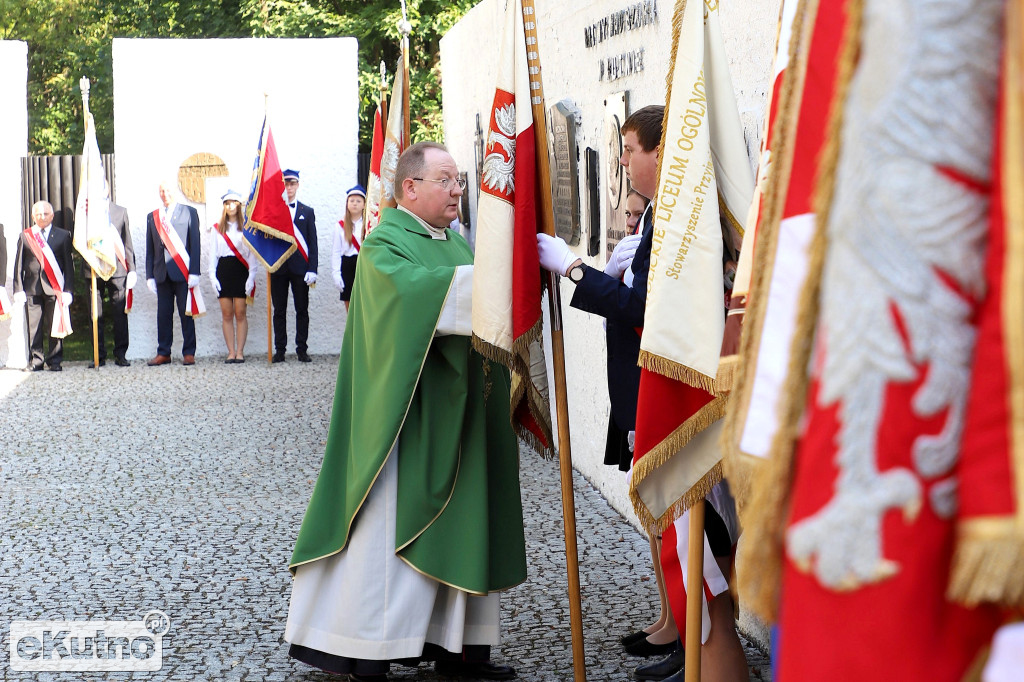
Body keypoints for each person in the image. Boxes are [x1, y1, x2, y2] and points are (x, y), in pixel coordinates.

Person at [285, 142, 524, 682]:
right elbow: (414, 300)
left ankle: (458, 649)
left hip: (460, 420)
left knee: (463, 525)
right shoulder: (384, 245)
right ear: (409, 188)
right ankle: (364, 645)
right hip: (404, 424)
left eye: (459, 180)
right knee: (383, 533)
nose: (458, 189)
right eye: (446, 180)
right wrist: (504, 278)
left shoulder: (457, 245)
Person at [538, 105, 747, 682]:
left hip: (683, 401)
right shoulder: (657, 215)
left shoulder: (679, 220)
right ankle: (691, 650)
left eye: (630, 149)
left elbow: (651, 314)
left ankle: (707, 657)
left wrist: (576, 271)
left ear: (661, 153)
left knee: (698, 542)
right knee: (680, 544)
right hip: (652, 392)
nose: (624, 161)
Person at [12, 201, 74, 371]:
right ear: (33, 216)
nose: (42, 216)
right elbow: (18, 264)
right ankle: (36, 360)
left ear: (52, 216)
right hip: (32, 288)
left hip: (54, 288)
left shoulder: (63, 235)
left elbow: (68, 266)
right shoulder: (26, 236)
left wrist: (68, 290)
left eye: (46, 213)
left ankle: (55, 360)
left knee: (54, 325)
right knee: (34, 326)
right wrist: (18, 288)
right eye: (38, 214)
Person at [146, 180, 201, 366]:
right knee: (163, 315)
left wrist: (195, 271)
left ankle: (189, 352)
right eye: (161, 191)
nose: (165, 194)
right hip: (161, 274)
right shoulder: (153, 216)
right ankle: (164, 352)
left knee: (186, 314)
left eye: (168, 190)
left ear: (175, 191)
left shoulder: (189, 212)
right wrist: (149, 276)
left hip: (183, 273)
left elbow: (195, 244)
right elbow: (150, 249)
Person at [271, 168, 317, 362]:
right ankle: (280, 349)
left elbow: (312, 242)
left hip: (300, 269)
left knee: (301, 310)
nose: (288, 187)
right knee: (279, 311)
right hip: (279, 267)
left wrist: (313, 269)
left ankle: (301, 349)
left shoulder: (307, 212)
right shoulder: (273, 211)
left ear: (297, 185)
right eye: (285, 184)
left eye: (292, 183)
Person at [209, 190, 258, 363]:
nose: (230, 206)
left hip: (240, 270)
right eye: (227, 203)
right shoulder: (217, 228)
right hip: (224, 269)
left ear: (239, 206)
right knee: (227, 314)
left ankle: (240, 352)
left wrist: (251, 276)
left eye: (234, 203)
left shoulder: (247, 228)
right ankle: (231, 351)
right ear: (224, 206)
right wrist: (212, 277)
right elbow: (213, 254)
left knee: (240, 312)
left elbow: (252, 255)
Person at [93, 199, 136, 367]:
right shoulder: (86, 211)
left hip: (118, 269)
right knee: (95, 315)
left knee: (119, 312)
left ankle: (120, 354)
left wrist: (131, 269)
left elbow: (127, 242)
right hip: (94, 268)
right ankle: (98, 355)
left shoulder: (120, 211)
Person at [331, 184, 364, 312]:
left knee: (364, 305)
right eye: (351, 200)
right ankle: (352, 332)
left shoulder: (368, 224)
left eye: (358, 201)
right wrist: (336, 274)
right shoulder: (340, 225)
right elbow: (336, 251)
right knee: (350, 308)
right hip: (347, 266)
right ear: (347, 203)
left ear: (364, 204)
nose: (354, 203)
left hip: (363, 265)